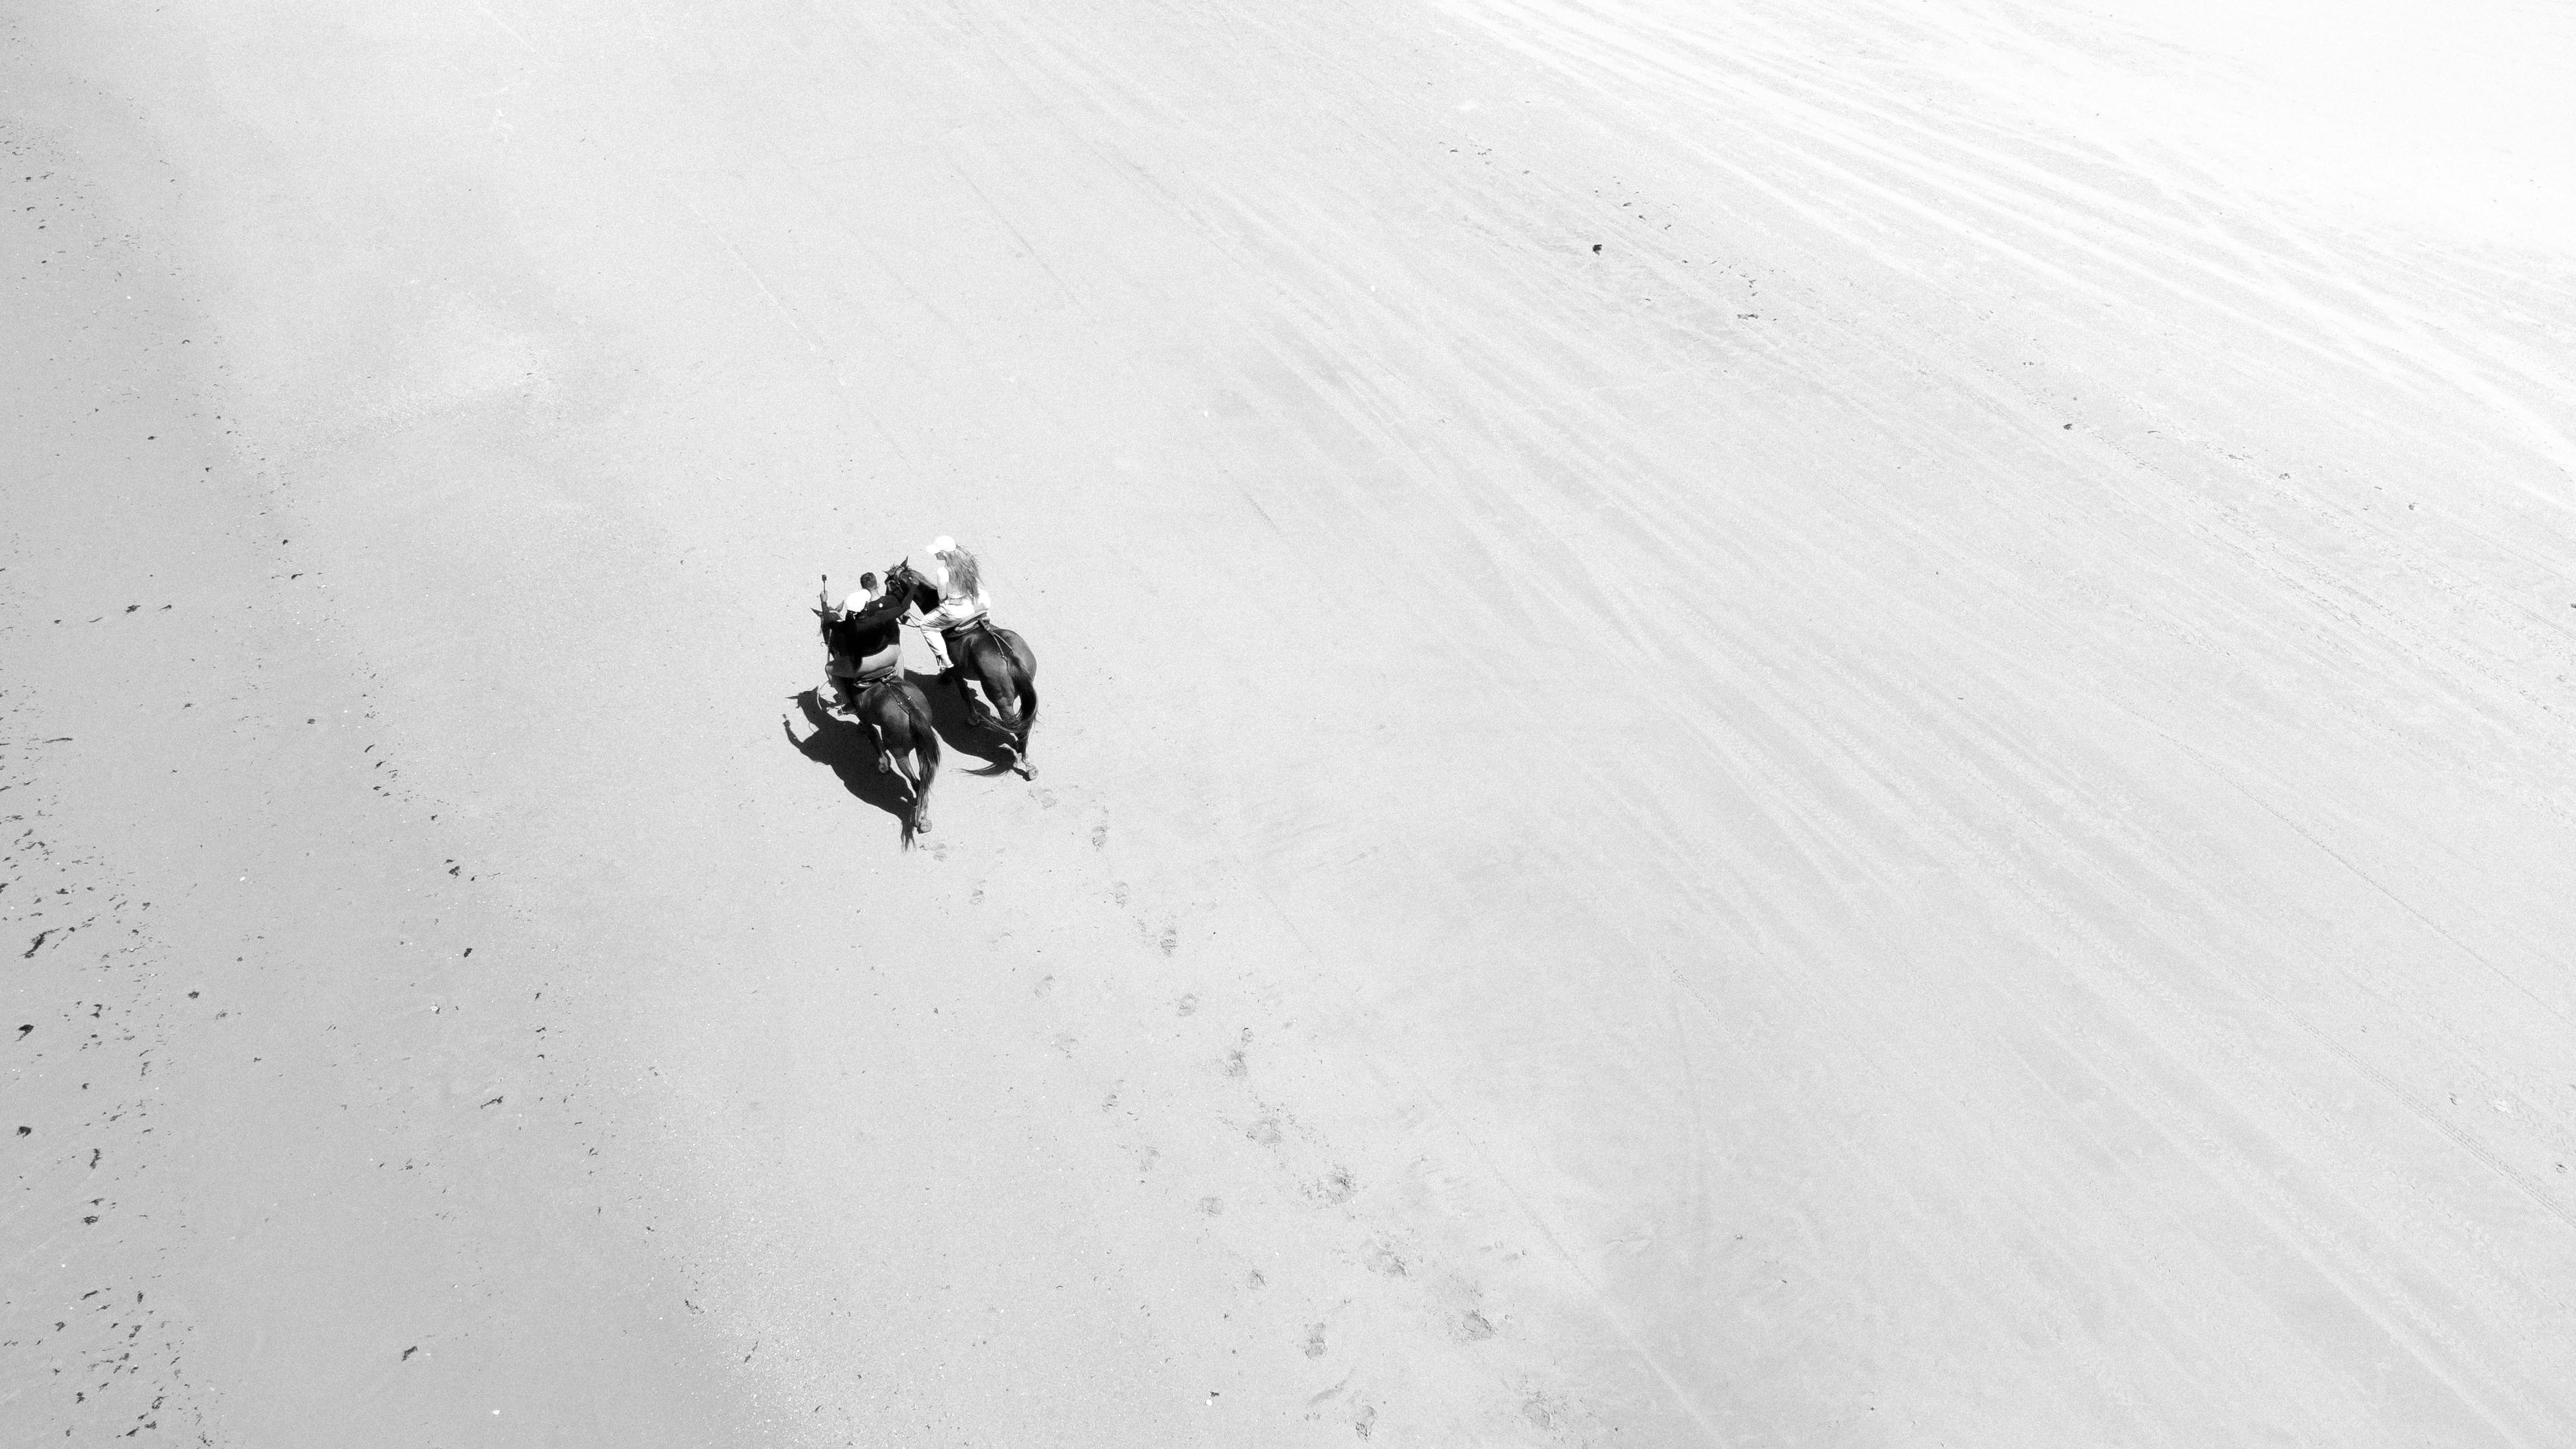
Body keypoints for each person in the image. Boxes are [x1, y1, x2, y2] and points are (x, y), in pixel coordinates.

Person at [815, 571, 908, 717]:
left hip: (864, 665)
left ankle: (850, 704)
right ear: (866, 605)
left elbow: (828, 621)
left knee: (829, 669)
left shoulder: (847, 626)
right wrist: (913, 586)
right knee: (897, 649)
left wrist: (824, 603)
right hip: (888, 656)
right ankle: (902, 686)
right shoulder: (878, 617)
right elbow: (904, 608)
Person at [905, 536, 993, 684]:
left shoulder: (943, 571)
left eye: (937, 552)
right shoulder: (967, 563)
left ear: (944, 553)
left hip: (957, 610)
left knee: (925, 625)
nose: (935, 554)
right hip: (975, 604)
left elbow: (942, 596)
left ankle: (946, 662)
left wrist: (943, 600)